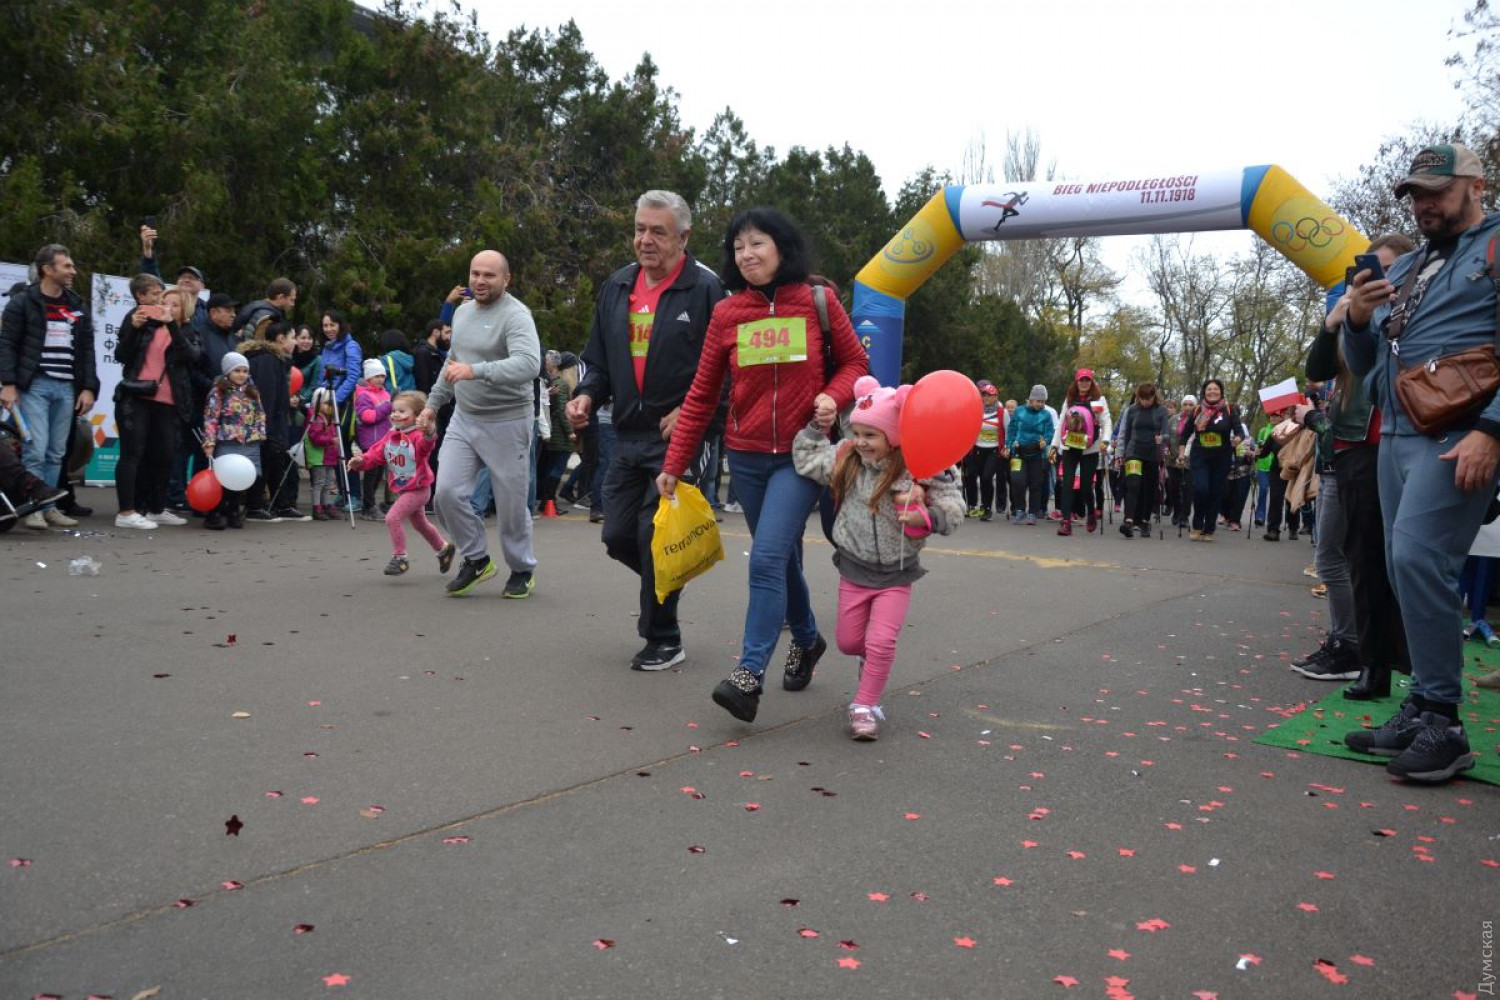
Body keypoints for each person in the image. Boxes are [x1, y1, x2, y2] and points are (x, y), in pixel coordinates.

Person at [654, 206, 867, 721]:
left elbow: (856, 363)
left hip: (801, 455)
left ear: (781, 248)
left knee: (767, 558)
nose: (746, 255)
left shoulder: (817, 302)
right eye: (738, 247)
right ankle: (808, 640)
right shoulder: (728, 314)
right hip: (746, 458)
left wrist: (833, 396)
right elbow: (702, 394)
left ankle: (748, 676)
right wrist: (674, 463)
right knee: (782, 560)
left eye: (757, 244)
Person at [1340, 142, 1500, 782]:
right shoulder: (1408, 266)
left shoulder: (1494, 247)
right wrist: (1356, 319)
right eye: (1415, 194)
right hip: (1397, 433)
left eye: (1437, 191)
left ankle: (1446, 726)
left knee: (1416, 558)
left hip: (1459, 433)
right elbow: (1364, 366)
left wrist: (1492, 431)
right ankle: (1425, 705)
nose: (1424, 204)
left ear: (1476, 186)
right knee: (1400, 567)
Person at [567, 190, 727, 670]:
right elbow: (596, 360)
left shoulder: (706, 289)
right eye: (640, 229)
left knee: (654, 535)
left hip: (683, 435)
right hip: (627, 435)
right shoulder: (617, 286)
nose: (645, 240)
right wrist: (586, 394)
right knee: (618, 535)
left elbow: (729, 369)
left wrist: (692, 412)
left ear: (684, 237)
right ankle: (668, 575)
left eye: (658, 231)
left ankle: (664, 637)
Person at [792, 375, 964, 739]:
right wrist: (815, 428)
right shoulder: (847, 459)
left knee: (881, 642)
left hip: (897, 574)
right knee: (849, 642)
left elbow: (954, 508)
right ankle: (867, 660)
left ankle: (865, 706)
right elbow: (808, 461)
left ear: (895, 435)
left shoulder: (920, 467)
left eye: (870, 435)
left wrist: (927, 518)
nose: (861, 442)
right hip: (854, 569)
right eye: (856, 432)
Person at [1292, 234, 1415, 696]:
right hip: (1350, 445)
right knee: (1355, 555)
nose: (1375, 280)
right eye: (1368, 272)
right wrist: (1335, 322)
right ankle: (1370, 660)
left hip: (1393, 442)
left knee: (1398, 559)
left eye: (1386, 270)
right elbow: (1319, 370)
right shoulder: (1355, 318)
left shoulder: (1413, 312)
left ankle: (1390, 662)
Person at [417, 250, 542, 598]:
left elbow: (529, 364)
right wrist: (432, 405)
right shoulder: (462, 313)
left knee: (511, 505)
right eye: (475, 274)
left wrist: (476, 371)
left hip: (508, 420)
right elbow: (453, 364)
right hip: (465, 417)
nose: (480, 281)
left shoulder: (516, 316)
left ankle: (522, 568)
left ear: (506, 279)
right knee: (446, 493)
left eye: (489, 275)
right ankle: (476, 558)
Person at [0, 244, 98, 529]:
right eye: (66, 266)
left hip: (67, 387)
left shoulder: (77, 304)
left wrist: (88, 388)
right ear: (47, 269)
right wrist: (9, 384)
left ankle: (49, 506)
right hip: (34, 386)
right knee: (36, 448)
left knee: (57, 451)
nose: (73, 271)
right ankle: (31, 509)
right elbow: (7, 345)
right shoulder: (22, 303)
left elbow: (87, 349)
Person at [113, 278, 201, 529]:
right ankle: (126, 511)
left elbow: (190, 356)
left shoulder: (189, 332)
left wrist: (171, 325)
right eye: (165, 302)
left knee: (165, 456)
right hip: (136, 397)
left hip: (169, 402)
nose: (167, 307)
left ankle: (155, 508)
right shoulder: (144, 324)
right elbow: (121, 355)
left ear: (185, 310)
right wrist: (133, 328)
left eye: (175, 304)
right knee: (132, 454)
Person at [347, 389, 456, 576]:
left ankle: (400, 558)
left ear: (417, 416)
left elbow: (426, 445)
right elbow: (376, 453)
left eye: (402, 411)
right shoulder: (391, 435)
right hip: (404, 488)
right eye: (394, 411)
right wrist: (361, 461)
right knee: (420, 524)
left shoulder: (417, 435)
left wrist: (429, 431)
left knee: (392, 517)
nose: (395, 414)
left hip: (419, 488)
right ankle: (443, 549)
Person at [201, 352, 266, 530]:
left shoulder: (252, 391)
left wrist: (260, 433)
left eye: (245, 371)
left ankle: (234, 511)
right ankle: (215, 512)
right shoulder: (218, 391)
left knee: (240, 477)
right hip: (227, 440)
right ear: (228, 372)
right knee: (223, 477)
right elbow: (211, 418)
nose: (241, 375)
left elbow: (260, 413)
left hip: (249, 441)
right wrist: (209, 442)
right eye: (237, 370)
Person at [1048, 369, 1111, 535]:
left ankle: (1091, 512)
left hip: (1090, 448)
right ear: (1076, 382)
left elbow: (1106, 422)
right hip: (1069, 446)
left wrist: (1105, 441)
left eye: (1087, 380)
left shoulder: (1098, 400)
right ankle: (1066, 522)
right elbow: (1061, 422)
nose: (1084, 383)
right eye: (1081, 380)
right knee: (1067, 484)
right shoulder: (1070, 399)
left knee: (1085, 486)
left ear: (1091, 382)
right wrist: (1054, 446)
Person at [1180, 379, 1240, 541]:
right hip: (1200, 456)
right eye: (1209, 389)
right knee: (1201, 489)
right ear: (1204, 392)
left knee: (1215, 493)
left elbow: (1239, 431)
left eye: (1216, 389)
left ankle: (1209, 529)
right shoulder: (1197, 410)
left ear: (1221, 392)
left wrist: (1238, 439)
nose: (1212, 392)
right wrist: (1181, 454)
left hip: (1221, 458)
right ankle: (1197, 525)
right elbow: (1185, 435)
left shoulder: (1229, 410)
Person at [319, 309, 363, 509]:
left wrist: (336, 398)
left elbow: (353, 376)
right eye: (325, 325)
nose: (328, 329)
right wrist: (320, 396)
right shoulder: (327, 346)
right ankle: (343, 493)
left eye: (332, 325)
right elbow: (323, 375)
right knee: (336, 448)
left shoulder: (351, 346)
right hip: (328, 401)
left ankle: (354, 495)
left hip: (345, 403)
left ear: (340, 325)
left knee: (345, 447)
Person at [1116, 382, 1167, 538]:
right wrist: (1121, 454)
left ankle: (1145, 521)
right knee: (1133, 484)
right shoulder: (1132, 410)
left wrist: (1162, 439)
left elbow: (1166, 433)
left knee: (1149, 488)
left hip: (1152, 454)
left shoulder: (1161, 410)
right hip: (1134, 452)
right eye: (1142, 398)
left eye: (1148, 399)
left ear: (1154, 397)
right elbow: (1126, 433)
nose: (1145, 402)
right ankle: (1129, 521)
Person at [1005, 385, 1054, 525]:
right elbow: (1011, 429)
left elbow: (1049, 432)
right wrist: (1008, 445)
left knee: (1035, 484)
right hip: (1018, 452)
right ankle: (1020, 510)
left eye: (1043, 401)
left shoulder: (1046, 415)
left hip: (1037, 454)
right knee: (1017, 481)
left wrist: (1045, 441)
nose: (1040, 404)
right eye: (1038, 401)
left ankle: (1033, 513)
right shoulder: (1019, 411)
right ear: (1031, 399)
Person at [355, 359, 393, 521]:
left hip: (383, 440)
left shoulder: (385, 393)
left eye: (382, 376)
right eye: (376, 376)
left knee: (378, 475)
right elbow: (367, 417)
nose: (380, 379)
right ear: (368, 378)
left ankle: (369, 505)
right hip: (370, 441)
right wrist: (389, 406)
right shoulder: (363, 395)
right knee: (371, 475)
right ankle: (368, 506)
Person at [963, 379, 1005, 521]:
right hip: (976, 449)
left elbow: (1008, 430)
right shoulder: (976, 409)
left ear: (995, 397)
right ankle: (972, 505)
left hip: (993, 450)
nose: (986, 398)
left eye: (989, 395)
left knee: (986, 478)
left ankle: (986, 508)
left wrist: (1007, 447)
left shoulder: (1001, 412)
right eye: (983, 395)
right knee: (971, 476)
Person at [537, 350, 573, 513]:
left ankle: (545, 500)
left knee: (550, 466)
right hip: (560, 434)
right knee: (558, 467)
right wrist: (570, 431)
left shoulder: (549, 383)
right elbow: (562, 409)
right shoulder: (562, 384)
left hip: (551, 430)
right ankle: (549, 501)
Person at [304, 387, 343, 520]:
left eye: (331, 404)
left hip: (329, 456)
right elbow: (315, 438)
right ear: (317, 403)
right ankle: (317, 507)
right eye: (326, 403)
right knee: (319, 483)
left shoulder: (329, 418)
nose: (329, 407)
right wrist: (331, 440)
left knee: (327, 483)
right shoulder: (316, 418)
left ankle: (326, 504)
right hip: (319, 456)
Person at [232, 278, 296, 343]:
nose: (293, 304)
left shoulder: (262, 308)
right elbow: (260, 345)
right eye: (291, 300)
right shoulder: (266, 318)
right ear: (281, 297)